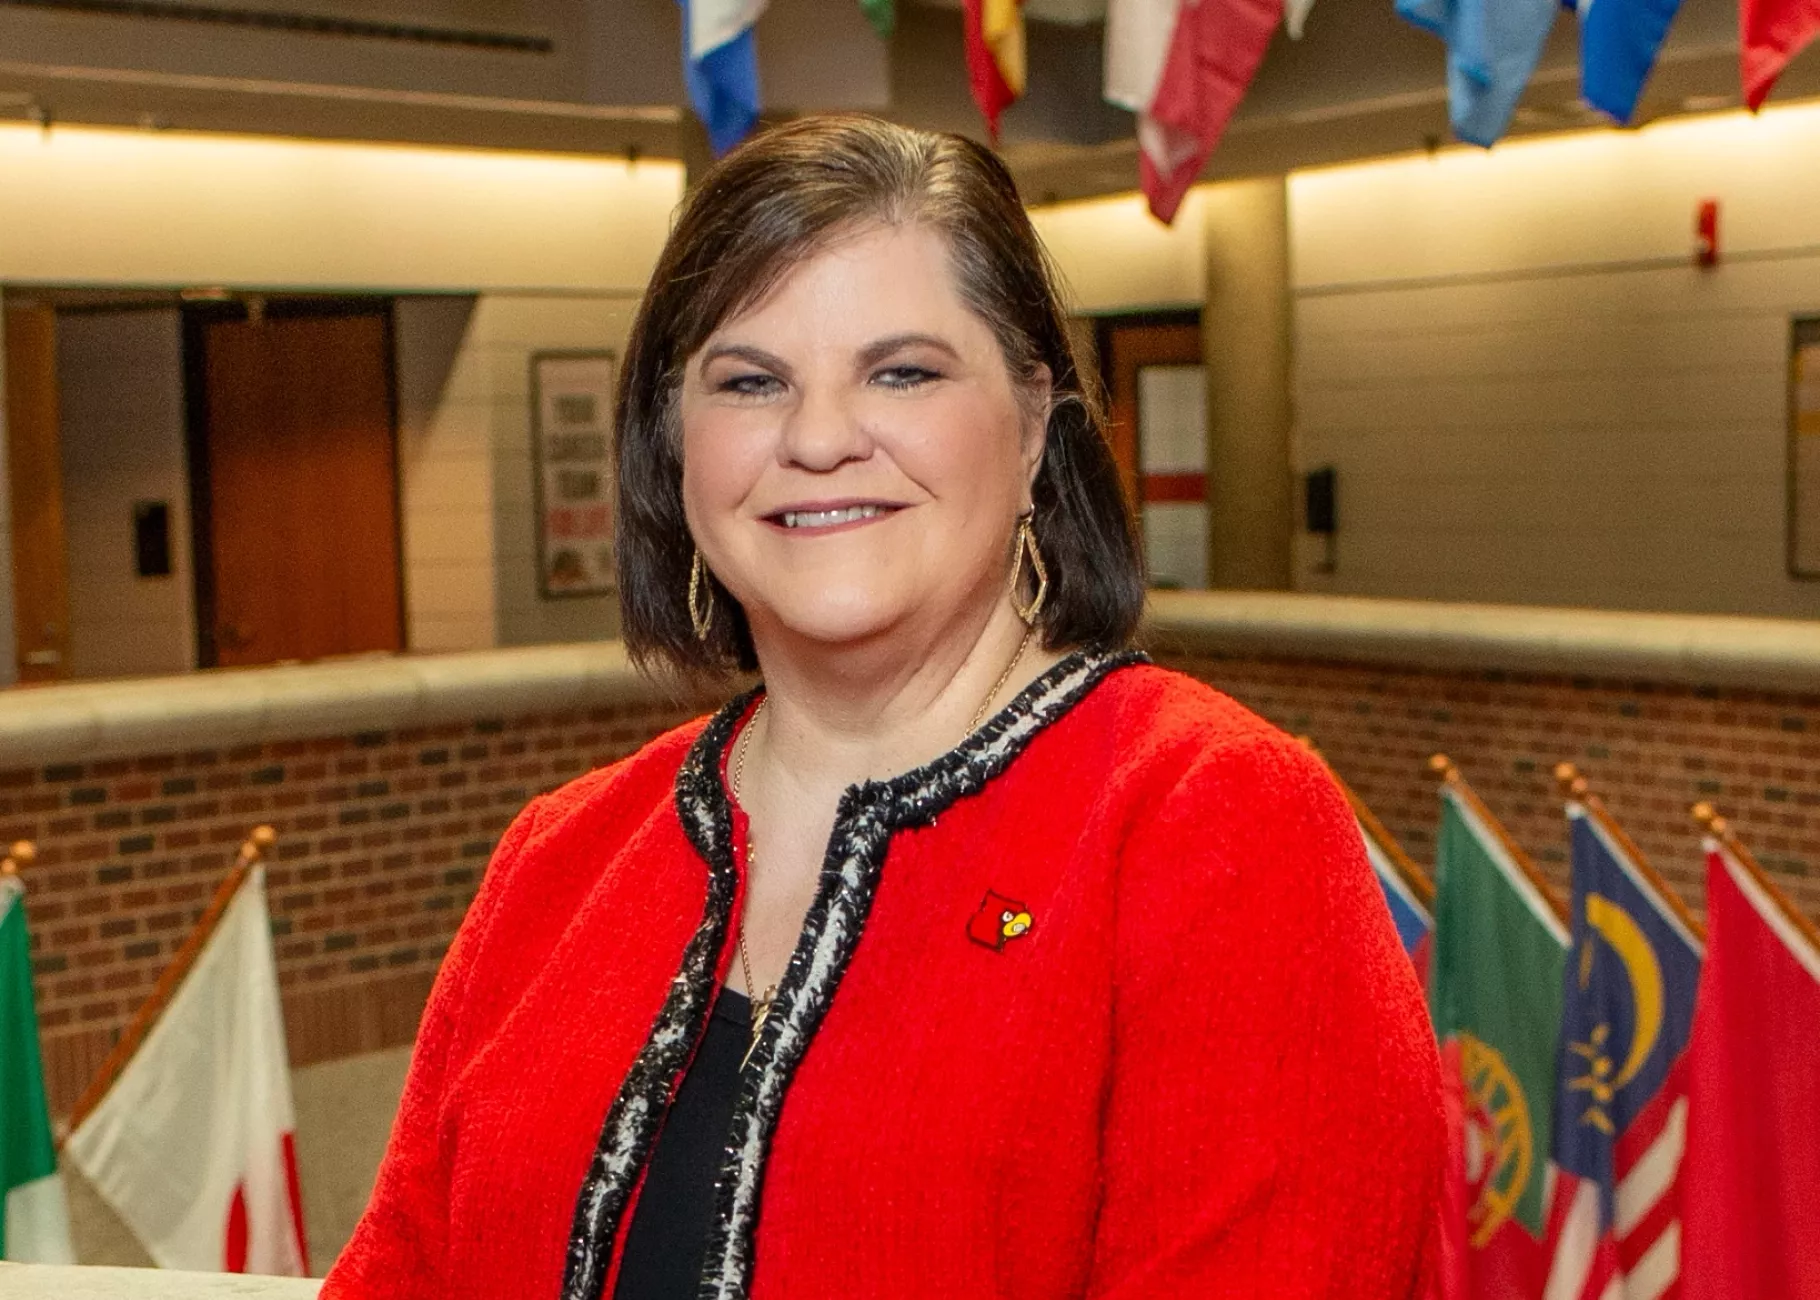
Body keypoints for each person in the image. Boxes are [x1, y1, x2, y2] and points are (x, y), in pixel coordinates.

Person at [322, 114, 1441, 1300]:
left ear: (1031, 429)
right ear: (673, 446)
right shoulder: (559, 860)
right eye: (750, 382)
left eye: (900, 371)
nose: (815, 439)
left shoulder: (1214, 823)